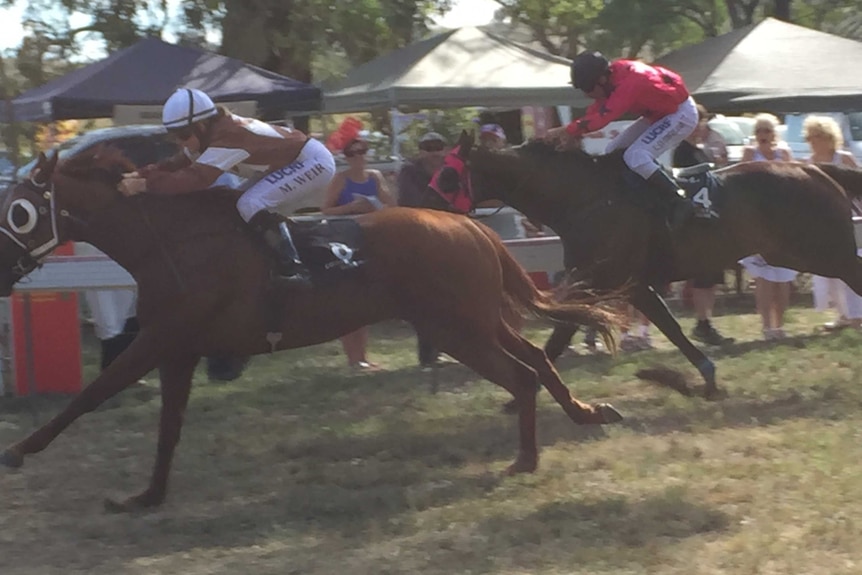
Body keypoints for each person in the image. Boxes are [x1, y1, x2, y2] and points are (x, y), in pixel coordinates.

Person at [117, 87, 336, 287]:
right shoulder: (208, 135)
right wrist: (140, 173)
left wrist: (145, 185)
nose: (180, 143)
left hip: (311, 161)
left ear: (201, 126)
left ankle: (293, 267)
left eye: (183, 135)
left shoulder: (229, 137)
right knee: (233, 202)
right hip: (287, 163)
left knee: (249, 203)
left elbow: (195, 179)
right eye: (174, 137)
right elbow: (176, 163)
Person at [545, 51, 697, 230]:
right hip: (660, 115)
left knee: (637, 155)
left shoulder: (631, 82)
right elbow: (596, 110)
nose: (586, 94)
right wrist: (573, 133)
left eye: (587, 88)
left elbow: (602, 118)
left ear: (602, 80)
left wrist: (566, 130)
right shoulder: (612, 78)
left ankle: (679, 201)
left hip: (680, 114)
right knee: (612, 150)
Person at [322, 137, 396, 370]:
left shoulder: (375, 177)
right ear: (346, 157)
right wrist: (350, 208)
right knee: (349, 298)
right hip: (345, 240)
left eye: (362, 151)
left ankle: (362, 357)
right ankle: (353, 358)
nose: (358, 157)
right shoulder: (341, 179)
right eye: (353, 153)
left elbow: (391, 204)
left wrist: (376, 206)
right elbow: (326, 208)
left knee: (365, 299)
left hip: (370, 238)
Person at [671, 103, 734, 346]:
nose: (698, 126)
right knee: (702, 275)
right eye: (695, 121)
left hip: (709, 218)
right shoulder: (681, 151)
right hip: (696, 220)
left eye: (701, 121)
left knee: (710, 276)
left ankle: (705, 323)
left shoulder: (699, 150)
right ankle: (702, 321)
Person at [738, 113, 795, 340]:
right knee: (763, 277)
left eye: (767, 131)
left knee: (783, 276)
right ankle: (766, 326)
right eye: (759, 131)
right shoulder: (750, 153)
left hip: (782, 217)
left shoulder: (785, 153)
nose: (763, 135)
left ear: (774, 133)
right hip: (758, 218)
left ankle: (779, 325)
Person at [804, 115, 862, 331]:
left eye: (817, 136)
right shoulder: (809, 164)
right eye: (810, 137)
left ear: (829, 137)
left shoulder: (844, 158)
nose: (813, 140)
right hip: (823, 223)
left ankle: (857, 317)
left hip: (851, 218)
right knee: (831, 274)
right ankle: (844, 315)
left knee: (852, 266)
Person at [396, 131, 448, 369]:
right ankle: (427, 355)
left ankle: (450, 348)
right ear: (421, 151)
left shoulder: (452, 170)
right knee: (426, 298)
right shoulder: (409, 172)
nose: (434, 152)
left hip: (450, 236)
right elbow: (413, 203)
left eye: (438, 147)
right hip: (420, 239)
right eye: (428, 147)